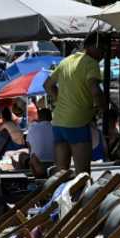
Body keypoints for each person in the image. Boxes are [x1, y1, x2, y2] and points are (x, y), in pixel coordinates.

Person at [45, 32, 104, 173]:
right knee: (82, 175)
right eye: (103, 48)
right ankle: (80, 195)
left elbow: (47, 85)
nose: (104, 53)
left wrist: (60, 101)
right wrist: (101, 108)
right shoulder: (91, 64)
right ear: (93, 46)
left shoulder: (66, 61)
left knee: (61, 173)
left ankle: (59, 195)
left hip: (59, 122)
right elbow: (95, 91)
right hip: (77, 122)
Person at [26, 107, 56, 179]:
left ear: (39, 117)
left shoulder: (32, 128)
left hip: (38, 164)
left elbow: (29, 147)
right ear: (51, 118)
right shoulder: (56, 128)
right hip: (55, 164)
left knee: (23, 156)